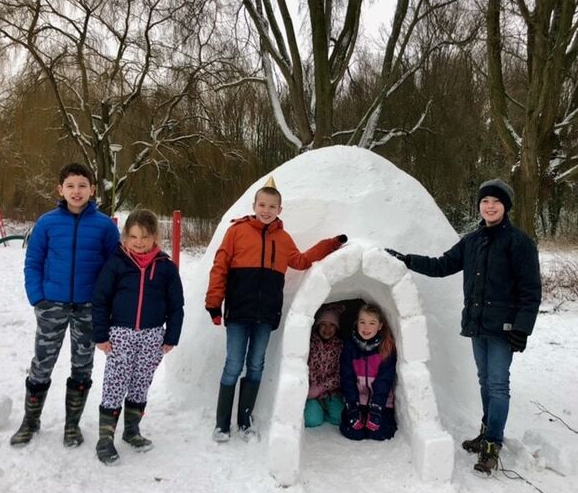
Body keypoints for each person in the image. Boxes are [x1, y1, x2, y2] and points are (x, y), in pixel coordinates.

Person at [385, 178, 541, 474]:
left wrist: (522, 327)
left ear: (505, 207)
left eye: (496, 202)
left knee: (498, 385)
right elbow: (441, 265)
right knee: (485, 382)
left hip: (504, 328)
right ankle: (487, 431)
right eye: (485, 201)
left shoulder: (519, 243)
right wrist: (405, 260)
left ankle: (493, 443)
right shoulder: (472, 242)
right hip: (478, 325)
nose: (490, 206)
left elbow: (531, 290)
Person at [205, 179, 347, 442]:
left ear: (280, 209)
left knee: (256, 365)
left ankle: (245, 421)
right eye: (262, 204)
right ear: (254, 205)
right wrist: (214, 303)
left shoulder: (282, 239)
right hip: (238, 312)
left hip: (266, 315)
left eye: (272, 206)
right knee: (233, 365)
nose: (266, 210)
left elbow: (302, 261)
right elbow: (220, 265)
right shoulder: (237, 232)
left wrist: (331, 244)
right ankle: (222, 424)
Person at [11, 162, 121, 448]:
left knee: (82, 367)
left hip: (88, 308)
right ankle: (30, 421)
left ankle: (72, 425)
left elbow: (114, 268)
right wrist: (38, 297)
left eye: (82, 185)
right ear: (60, 189)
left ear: (92, 190)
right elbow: (33, 262)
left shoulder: (105, 227)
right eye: (70, 185)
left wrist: (105, 303)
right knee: (42, 364)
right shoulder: (47, 223)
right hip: (52, 306)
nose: (76, 191)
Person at [92, 209, 184, 464]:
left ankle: (132, 430)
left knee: (141, 383)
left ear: (155, 236)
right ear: (125, 237)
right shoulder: (116, 263)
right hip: (120, 334)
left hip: (153, 335)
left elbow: (176, 305)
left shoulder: (166, 267)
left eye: (144, 236)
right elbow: (100, 300)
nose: (139, 242)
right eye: (133, 236)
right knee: (115, 383)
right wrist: (101, 334)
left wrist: (171, 336)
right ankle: (105, 439)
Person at [339, 303, 397, 441]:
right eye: (362, 322)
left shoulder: (386, 348)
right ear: (356, 323)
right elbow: (347, 378)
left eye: (372, 323)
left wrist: (377, 408)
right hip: (358, 401)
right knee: (354, 433)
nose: (366, 327)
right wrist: (352, 406)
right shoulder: (350, 347)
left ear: (380, 326)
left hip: (380, 402)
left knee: (378, 433)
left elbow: (385, 380)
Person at [304, 305, 344, 428]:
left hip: (330, 392)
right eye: (323, 324)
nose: (327, 329)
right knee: (312, 420)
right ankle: (316, 411)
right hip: (310, 393)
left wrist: (322, 387)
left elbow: (341, 373)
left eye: (332, 325)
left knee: (340, 418)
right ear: (317, 326)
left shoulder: (340, 346)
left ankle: (323, 411)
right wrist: (309, 389)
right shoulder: (309, 343)